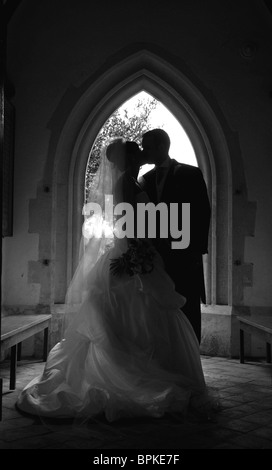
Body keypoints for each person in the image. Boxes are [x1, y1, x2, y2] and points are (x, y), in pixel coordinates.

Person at [16, 137, 213, 422]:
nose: (143, 154)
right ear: (129, 159)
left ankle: (155, 368)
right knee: (137, 316)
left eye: (145, 149)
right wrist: (138, 251)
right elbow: (128, 224)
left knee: (150, 317)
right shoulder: (128, 182)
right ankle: (137, 375)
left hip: (147, 253)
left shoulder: (138, 180)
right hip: (134, 254)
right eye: (138, 152)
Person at [139, 129, 211, 343]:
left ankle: (190, 364)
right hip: (156, 261)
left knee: (187, 313)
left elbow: (202, 214)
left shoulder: (191, 174)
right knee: (159, 317)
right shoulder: (145, 180)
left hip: (185, 259)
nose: (144, 151)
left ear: (162, 147)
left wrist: (194, 254)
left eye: (148, 147)